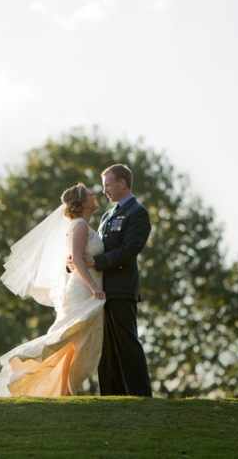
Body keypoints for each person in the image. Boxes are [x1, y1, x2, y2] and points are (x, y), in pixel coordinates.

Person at [0, 183, 107, 396]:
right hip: (83, 290)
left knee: (77, 343)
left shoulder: (83, 226)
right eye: (90, 194)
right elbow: (79, 263)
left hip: (88, 288)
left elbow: (75, 257)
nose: (94, 195)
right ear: (83, 203)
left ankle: (63, 391)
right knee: (68, 339)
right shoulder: (80, 225)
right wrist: (93, 287)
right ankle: (24, 371)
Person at [77, 164, 152, 397]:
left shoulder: (137, 213)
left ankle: (140, 396)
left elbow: (129, 250)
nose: (104, 190)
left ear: (122, 183)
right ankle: (111, 397)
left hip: (121, 289)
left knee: (126, 343)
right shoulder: (109, 215)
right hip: (100, 290)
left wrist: (96, 262)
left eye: (108, 185)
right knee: (106, 347)